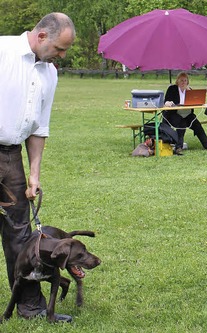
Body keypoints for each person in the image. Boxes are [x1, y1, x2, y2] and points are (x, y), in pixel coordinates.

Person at [0, 12, 75, 322]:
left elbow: (38, 128)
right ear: (42, 36)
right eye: (60, 48)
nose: (62, 55)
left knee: (20, 232)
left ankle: (30, 307)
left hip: (10, 157)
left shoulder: (50, 73)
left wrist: (33, 175)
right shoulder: (2, 51)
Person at [162, 72, 207, 154]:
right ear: (177, 81)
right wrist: (168, 103)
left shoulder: (190, 90)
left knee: (197, 125)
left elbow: (194, 102)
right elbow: (166, 101)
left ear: (187, 82)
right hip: (173, 114)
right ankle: (178, 147)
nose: (183, 82)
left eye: (185, 80)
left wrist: (198, 101)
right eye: (181, 80)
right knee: (181, 124)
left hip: (187, 114)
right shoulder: (172, 89)